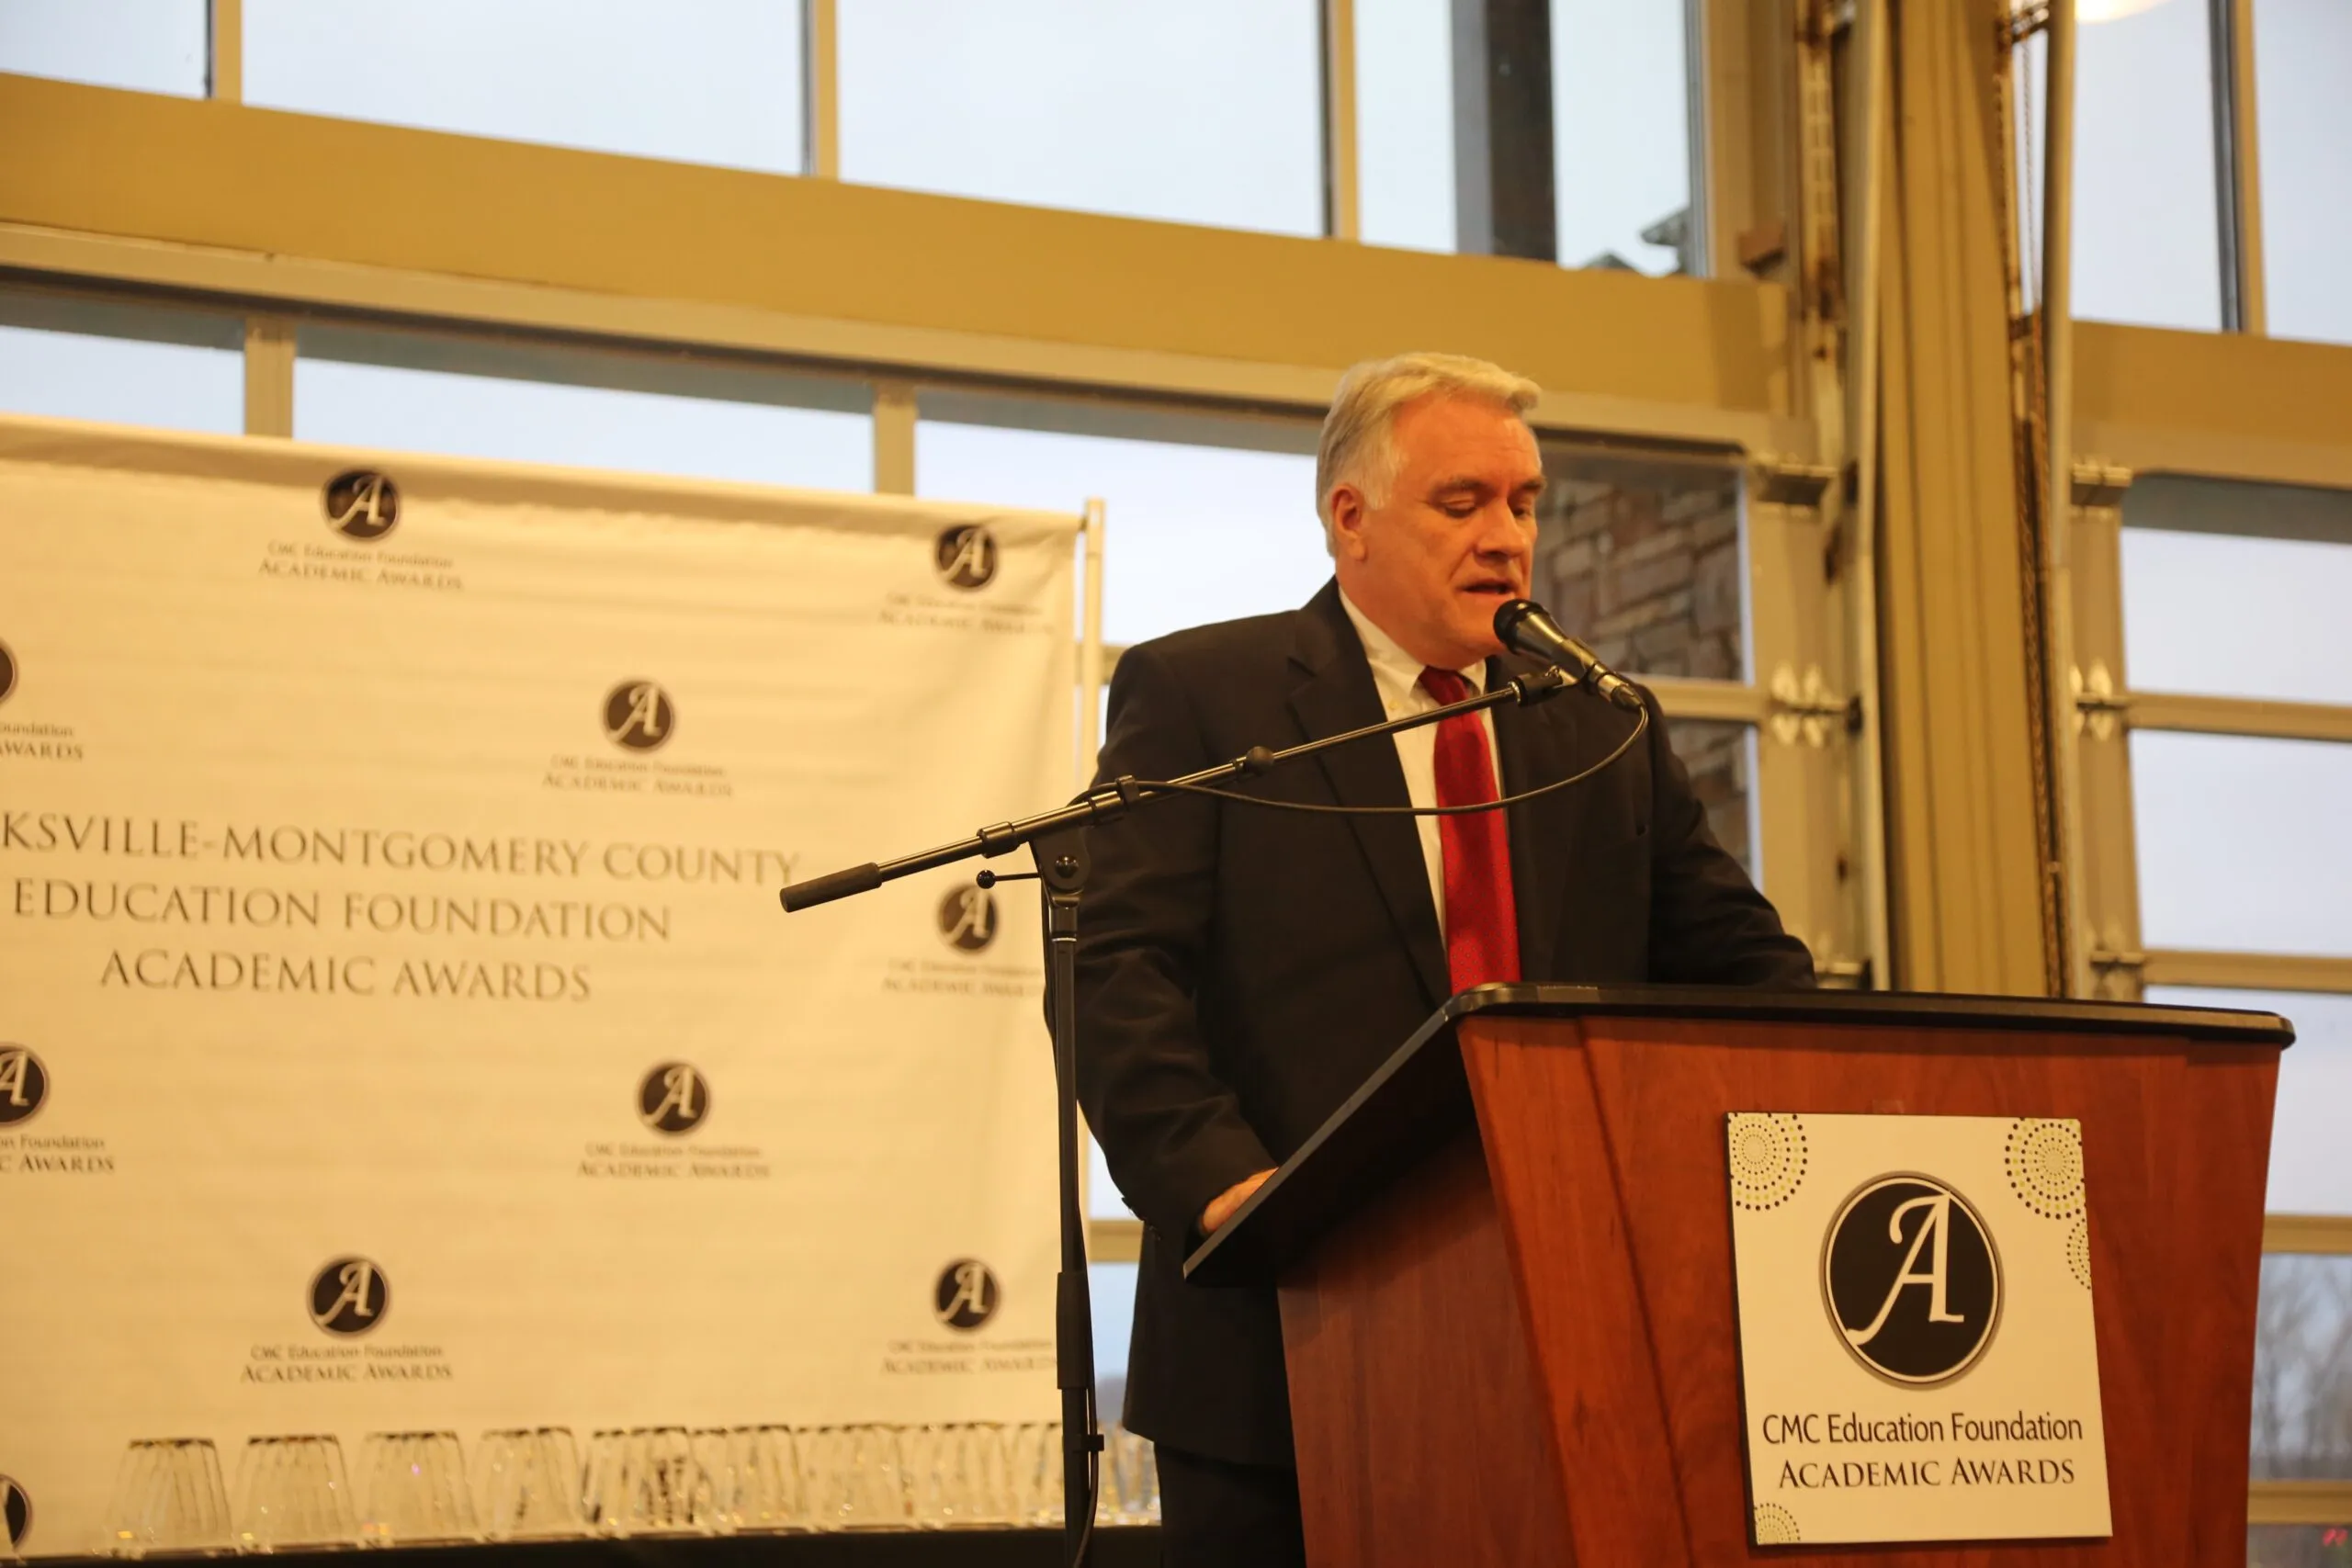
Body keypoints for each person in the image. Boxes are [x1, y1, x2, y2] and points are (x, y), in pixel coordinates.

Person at [1073, 352, 1814, 1566]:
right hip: (1283, 1343)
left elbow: (1750, 976)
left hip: (1578, 1347)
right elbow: (1116, 972)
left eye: (1524, 504)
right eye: (1461, 503)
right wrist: (1227, 1190)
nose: (1506, 538)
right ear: (1349, 518)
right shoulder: (1209, 699)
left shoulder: (1600, 722)